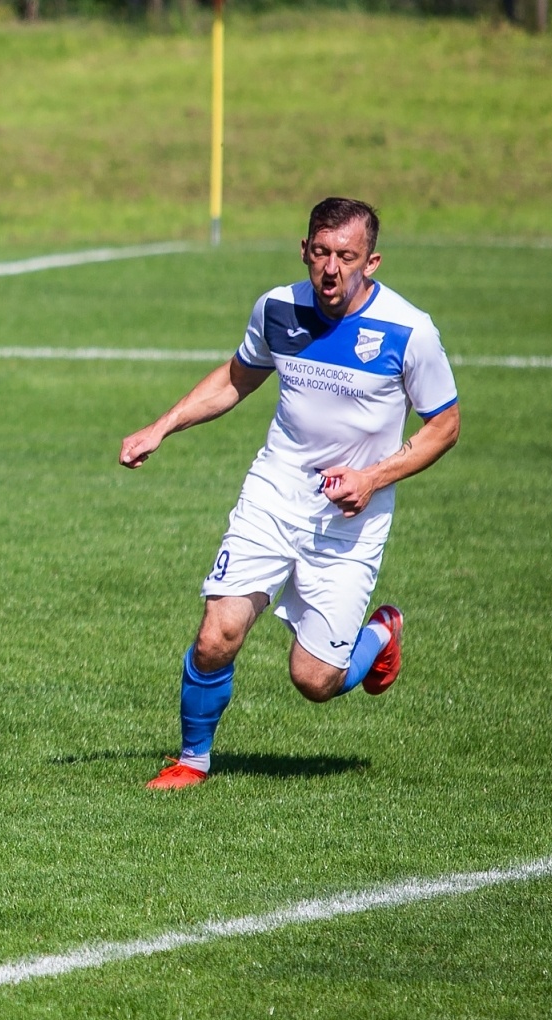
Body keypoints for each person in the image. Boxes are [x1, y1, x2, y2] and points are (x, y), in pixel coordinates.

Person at [119, 198, 460, 789]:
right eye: (321, 253)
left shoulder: (410, 331)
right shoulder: (277, 309)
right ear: (305, 250)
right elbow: (236, 377)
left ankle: (381, 631)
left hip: (348, 523)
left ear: (371, 262)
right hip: (274, 497)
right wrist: (161, 425)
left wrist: (371, 478)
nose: (331, 268)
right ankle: (192, 761)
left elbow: (445, 425)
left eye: (346, 257)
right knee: (216, 634)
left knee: (314, 680)